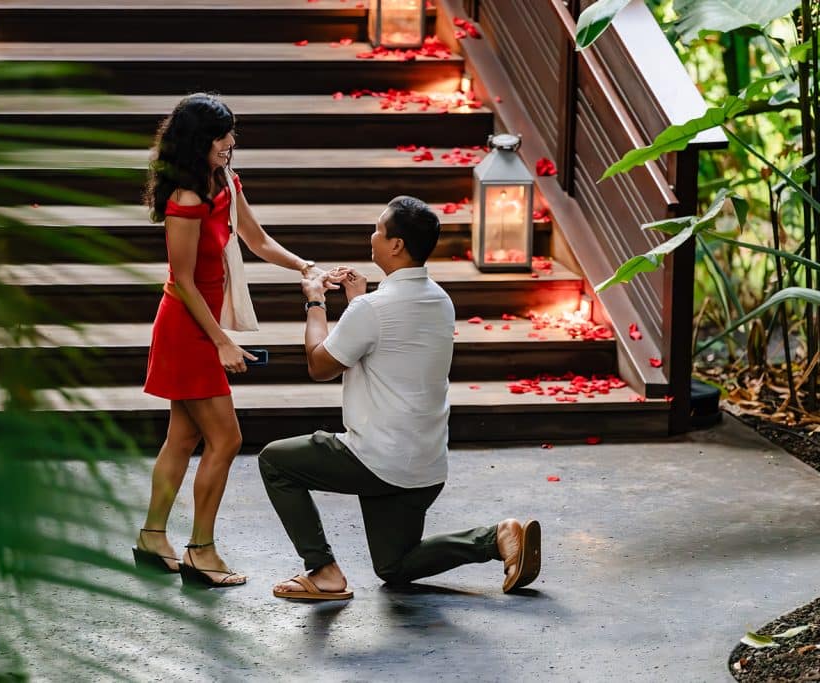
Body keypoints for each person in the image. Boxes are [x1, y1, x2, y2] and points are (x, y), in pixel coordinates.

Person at [258, 196, 542, 600]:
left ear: (395, 245)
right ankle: (496, 538)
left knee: (274, 461)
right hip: (425, 466)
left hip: (376, 459)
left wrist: (315, 302)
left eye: (377, 229)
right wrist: (358, 302)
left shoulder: (373, 309)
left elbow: (320, 366)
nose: (371, 235)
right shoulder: (440, 301)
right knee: (394, 567)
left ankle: (323, 572)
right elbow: (389, 342)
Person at [134, 93, 332, 588]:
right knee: (227, 439)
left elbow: (257, 240)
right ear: (200, 140)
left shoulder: (225, 181)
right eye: (223, 136)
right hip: (187, 327)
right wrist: (221, 340)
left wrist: (305, 266)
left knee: (182, 437)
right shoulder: (184, 199)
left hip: (203, 326)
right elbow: (181, 280)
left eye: (232, 134)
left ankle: (152, 538)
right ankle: (200, 550)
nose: (231, 143)